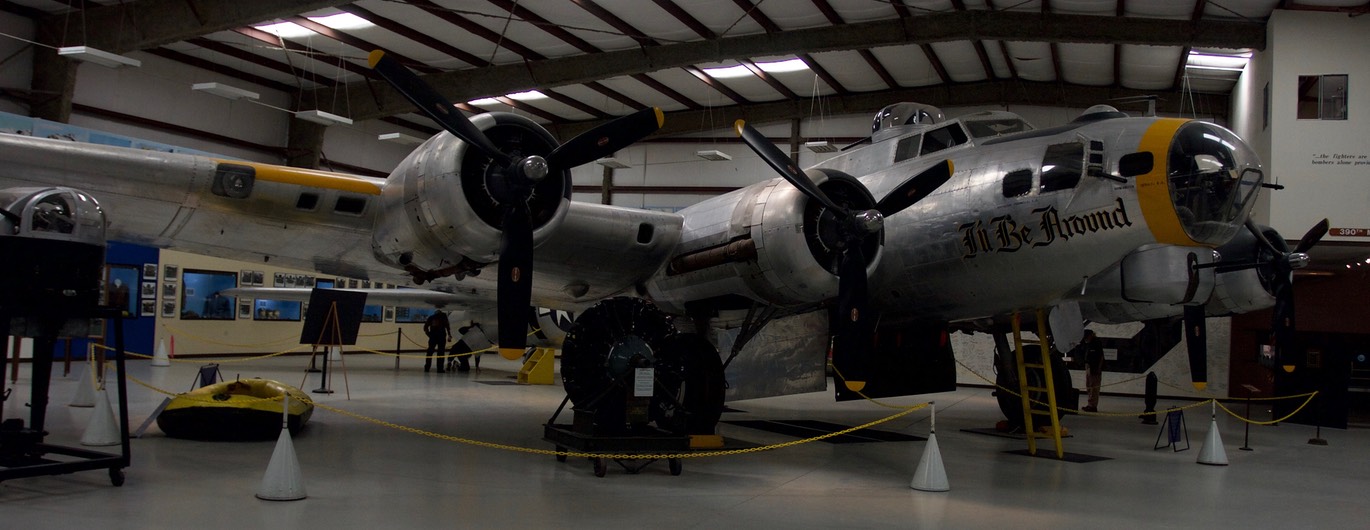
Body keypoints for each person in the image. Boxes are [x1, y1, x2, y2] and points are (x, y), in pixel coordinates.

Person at [1076, 330, 1105, 412]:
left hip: (1094, 367)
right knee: (1089, 386)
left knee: (1094, 387)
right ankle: (1090, 404)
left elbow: (1100, 357)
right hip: (1088, 366)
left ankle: (1093, 406)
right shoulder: (1087, 343)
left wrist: (1098, 368)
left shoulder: (1096, 343)